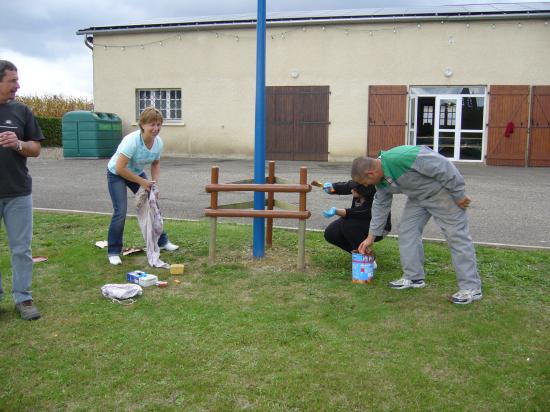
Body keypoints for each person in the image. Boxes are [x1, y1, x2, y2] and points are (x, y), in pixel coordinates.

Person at [352, 145, 482, 305]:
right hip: (418, 198)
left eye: (364, 182)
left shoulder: (402, 157)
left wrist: (459, 193)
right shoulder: (380, 180)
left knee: (457, 237)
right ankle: (414, 278)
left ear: (370, 173)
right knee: (407, 231)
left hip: (443, 194)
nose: (365, 186)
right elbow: (380, 205)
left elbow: (443, 166)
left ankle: (471, 288)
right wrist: (371, 237)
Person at [106, 107, 178, 265]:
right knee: (120, 211)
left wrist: (154, 184)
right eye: (152, 124)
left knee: (152, 206)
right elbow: (119, 168)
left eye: (159, 124)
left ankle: (162, 242)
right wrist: (142, 182)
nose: (156, 128)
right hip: (116, 174)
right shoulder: (132, 141)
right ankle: (113, 251)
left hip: (135, 174)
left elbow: (156, 163)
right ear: (143, 125)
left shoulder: (158, 142)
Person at [0, 60, 43, 320]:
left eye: (17, 80)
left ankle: (23, 298)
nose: (18, 85)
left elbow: (36, 149)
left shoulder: (22, 111)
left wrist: (18, 144)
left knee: (21, 249)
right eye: (12, 80)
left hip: (18, 192)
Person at [321, 180, 391, 253]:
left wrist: (336, 211)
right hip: (359, 222)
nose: (351, 190)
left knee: (348, 223)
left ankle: (366, 258)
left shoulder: (375, 200)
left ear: (363, 191)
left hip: (379, 229)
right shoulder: (360, 186)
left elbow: (356, 213)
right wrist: (332, 187)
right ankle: (358, 253)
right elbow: (346, 186)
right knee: (331, 233)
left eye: (353, 189)